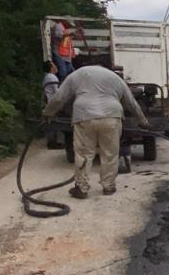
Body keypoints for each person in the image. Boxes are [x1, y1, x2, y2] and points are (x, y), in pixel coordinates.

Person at [42, 55, 150, 198]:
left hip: (84, 116)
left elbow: (59, 97)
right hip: (111, 116)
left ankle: (82, 188)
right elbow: (131, 103)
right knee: (110, 153)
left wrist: (48, 114)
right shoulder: (115, 77)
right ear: (104, 66)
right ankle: (109, 186)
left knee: (84, 153)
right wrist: (143, 122)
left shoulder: (77, 74)